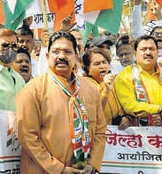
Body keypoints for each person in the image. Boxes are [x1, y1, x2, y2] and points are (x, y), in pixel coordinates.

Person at [16, 31, 107, 174]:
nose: (61, 56)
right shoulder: (32, 90)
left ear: (77, 56)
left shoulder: (90, 89)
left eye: (67, 52)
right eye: (56, 51)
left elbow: (100, 130)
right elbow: (28, 137)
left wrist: (93, 163)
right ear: (47, 56)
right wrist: (59, 169)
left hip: (83, 170)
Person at [115, 35, 162, 126]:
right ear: (135, 53)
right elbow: (130, 106)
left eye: (152, 49)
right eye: (143, 49)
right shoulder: (125, 76)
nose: (148, 52)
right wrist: (161, 110)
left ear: (158, 52)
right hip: (140, 135)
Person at [81, 48, 131, 129]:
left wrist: (128, 118)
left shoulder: (116, 80)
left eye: (104, 62)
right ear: (88, 69)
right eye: (97, 64)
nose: (102, 66)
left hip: (119, 134)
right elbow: (96, 112)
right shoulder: (85, 84)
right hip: (99, 132)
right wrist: (106, 90)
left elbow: (128, 103)